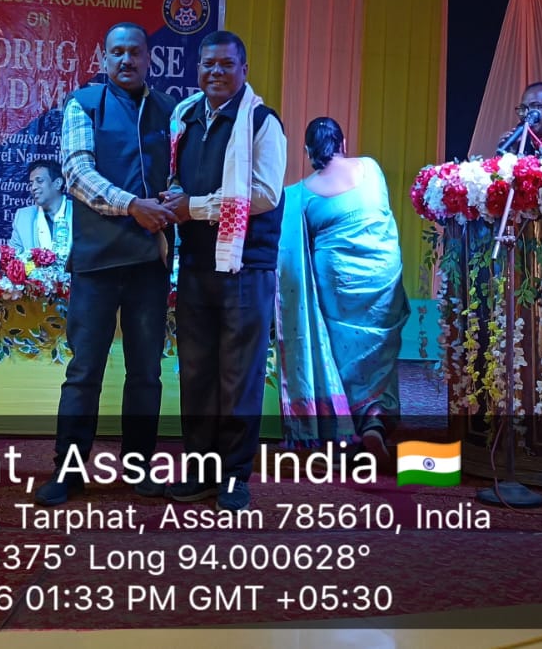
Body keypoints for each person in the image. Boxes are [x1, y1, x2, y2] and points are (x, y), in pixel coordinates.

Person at [36, 22, 176, 507]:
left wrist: (173, 199)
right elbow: (76, 173)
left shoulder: (169, 111)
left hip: (149, 263)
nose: (126, 60)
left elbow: (177, 176)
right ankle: (68, 471)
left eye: (135, 52)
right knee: (84, 371)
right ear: (104, 58)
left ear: (148, 58)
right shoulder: (84, 104)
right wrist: (133, 205)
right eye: (117, 52)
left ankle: (139, 468)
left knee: (146, 373)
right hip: (95, 263)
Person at [161, 30, 287, 512]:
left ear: (244, 70)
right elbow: (176, 176)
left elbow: (265, 195)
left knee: (239, 376)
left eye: (226, 64)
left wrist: (194, 207)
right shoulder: (185, 115)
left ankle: (234, 475)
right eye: (208, 64)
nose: (215, 72)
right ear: (198, 69)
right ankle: (199, 469)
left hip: (245, 267)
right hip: (196, 264)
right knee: (196, 374)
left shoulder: (261, 122)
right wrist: (175, 198)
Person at [276, 117, 409, 460]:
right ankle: (375, 420)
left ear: (307, 151)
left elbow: (294, 250)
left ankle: (346, 427)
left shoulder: (301, 195)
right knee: (379, 352)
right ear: (343, 143)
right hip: (382, 275)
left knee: (342, 354)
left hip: (336, 281)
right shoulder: (371, 169)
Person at [8, 158, 72, 257]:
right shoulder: (23, 217)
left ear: (58, 183)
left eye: (40, 181)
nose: (33, 187)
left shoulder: (80, 214)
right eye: (31, 183)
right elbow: (12, 257)